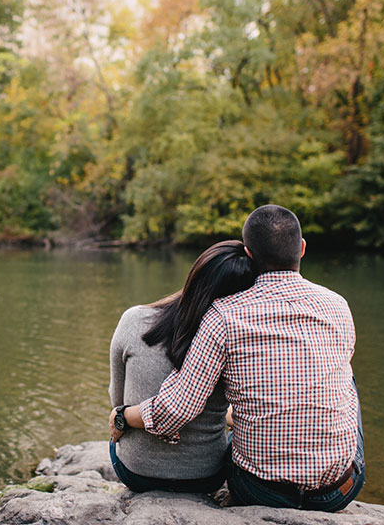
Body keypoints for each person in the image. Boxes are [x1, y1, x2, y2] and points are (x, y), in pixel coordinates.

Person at [110, 205, 365, 512]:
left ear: (249, 254)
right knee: (345, 379)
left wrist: (123, 416)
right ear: (302, 247)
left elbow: (176, 410)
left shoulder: (224, 316)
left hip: (261, 490)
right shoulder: (337, 305)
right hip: (339, 490)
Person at [109, 240, 255, 493]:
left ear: (195, 275)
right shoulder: (239, 338)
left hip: (136, 472)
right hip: (206, 476)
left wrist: (122, 417)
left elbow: (117, 399)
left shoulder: (134, 319)